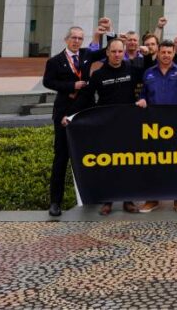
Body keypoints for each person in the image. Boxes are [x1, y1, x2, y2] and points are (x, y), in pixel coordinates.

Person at [65, 37, 142, 215]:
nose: (117, 55)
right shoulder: (98, 75)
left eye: (120, 51)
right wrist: (70, 115)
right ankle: (108, 201)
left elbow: (148, 83)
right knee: (108, 163)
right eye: (113, 51)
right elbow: (85, 97)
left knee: (128, 163)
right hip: (106, 125)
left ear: (124, 53)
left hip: (128, 124)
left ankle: (128, 200)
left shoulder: (132, 70)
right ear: (107, 53)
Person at [42, 24, 108, 217]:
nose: (77, 41)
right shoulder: (55, 61)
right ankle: (55, 202)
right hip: (64, 112)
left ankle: (94, 196)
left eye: (80, 38)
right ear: (66, 39)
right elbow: (48, 82)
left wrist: (107, 32)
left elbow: (107, 51)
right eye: (74, 38)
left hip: (86, 111)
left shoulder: (86, 54)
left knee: (92, 155)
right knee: (61, 158)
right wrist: (71, 85)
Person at [135, 40, 177, 213]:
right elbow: (143, 94)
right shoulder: (149, 72)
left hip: (176, 123)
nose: (166, 55)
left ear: (173, 53)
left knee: (176, 161)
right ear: (158, 53)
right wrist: (142, 100)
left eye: (169, 52)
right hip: (154, 125)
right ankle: (152, 199)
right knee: (154, 162)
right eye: (163, 52)